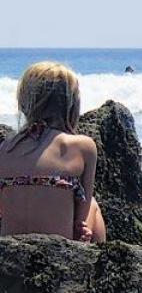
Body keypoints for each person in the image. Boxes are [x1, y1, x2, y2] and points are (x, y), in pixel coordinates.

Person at [0, 62, 106, 243]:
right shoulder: (83, 147)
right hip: (56, 249)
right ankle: (97, 267)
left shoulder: (5, 148)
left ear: (24, 104)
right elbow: (82, 215)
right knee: (93, 206)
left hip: (9, 249)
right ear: (71, 104)